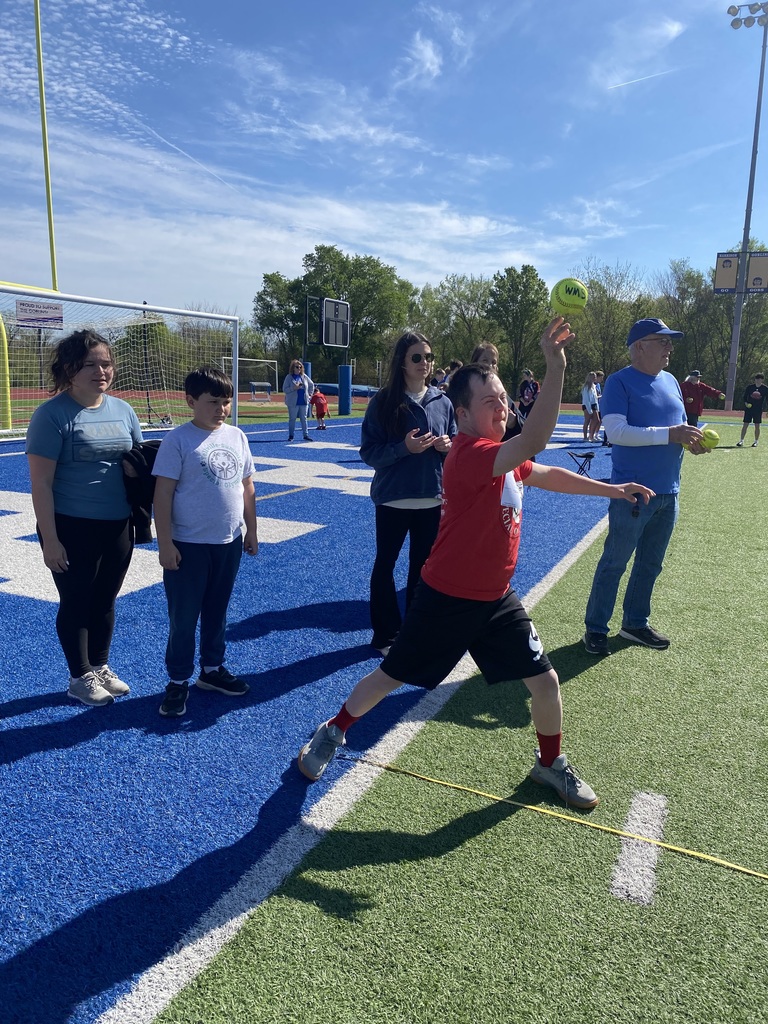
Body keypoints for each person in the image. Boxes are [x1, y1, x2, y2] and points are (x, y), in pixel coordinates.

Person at [298, 319, 656, 808]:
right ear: (462, 414)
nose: (503, 406)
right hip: (445, 596)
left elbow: (544, 470)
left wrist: (612, 489)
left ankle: (549, 764)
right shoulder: (469, 454)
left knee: (546, 682)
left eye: (505, 398)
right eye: (491, 402)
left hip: (495, 597)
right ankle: (334, 730)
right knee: (391, 675)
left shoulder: (503, 456)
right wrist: (555, 371)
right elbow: (533, 445)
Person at [25, 329, 142, 706]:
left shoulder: (123, 410)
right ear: (69, 369)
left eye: (105, 363)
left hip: (117, 522)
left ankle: (101, 666)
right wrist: (50, 537)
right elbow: (41, 483)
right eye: (90, 363)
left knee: (106, 599)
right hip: (71, 524)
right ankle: (79, 676)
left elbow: (138, 462)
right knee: (76, 600)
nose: (100, 370)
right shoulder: (52, 415)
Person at [583, 318, 708, 657]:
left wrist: (689, 442)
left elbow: (673, 428)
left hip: (669, 490)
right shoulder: (619, 382)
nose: (669, 347)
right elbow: (618, 432)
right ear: (639, 346)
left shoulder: (670, 381)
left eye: (670, 342)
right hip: (632, 493)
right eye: (662, 341)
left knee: (651, 563)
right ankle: (595, 628)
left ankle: (634, 623)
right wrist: (671, 435)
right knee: (615, 562)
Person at [152, 366, 258, 717]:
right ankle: (178, 680)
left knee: (217, 611)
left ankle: (212, 671)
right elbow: (162, 495)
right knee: (184, 617)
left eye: (226, 402)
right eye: (213, 402)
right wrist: (164, 543)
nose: (221, 409)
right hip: (188, 545)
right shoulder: (178, 440)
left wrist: (251, 530)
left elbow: (247, 487)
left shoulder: (237, 436)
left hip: (228, 542)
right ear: (190, 401)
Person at [360, 331, 456, 655]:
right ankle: (385, 635)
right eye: (417, 357)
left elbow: (457, 445)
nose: (424, 363)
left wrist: (448, 447)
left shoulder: (443, 402)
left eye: (428, 357)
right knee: (385, 564)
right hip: (393, 498)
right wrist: (404, 448)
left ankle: (414, 632)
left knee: (423, 568)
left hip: (431, 497)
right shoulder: (384, 402)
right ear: (401, 361)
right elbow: (370, 452)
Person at [282, 358, 315, 441]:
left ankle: (305, 435)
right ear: (293, 368)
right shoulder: (289, 377)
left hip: (303, 401)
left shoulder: (304, 376)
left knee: (304, 419)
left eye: (300, 367)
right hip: (293, 402)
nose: (299, 369)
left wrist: (309, 395)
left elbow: (311, 385)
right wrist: (294, 388)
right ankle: (291, 436)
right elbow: (285, 389)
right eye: (297, 367)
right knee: (292, 419)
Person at [737, 373, 768, 447]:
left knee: (757, 426)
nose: (758, 380)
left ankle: (756, 441)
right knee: (745, 425)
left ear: (762, 380)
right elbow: (744, 397)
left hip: (758, 410)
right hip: (749, 409)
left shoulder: (765, 389)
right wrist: (746, 403)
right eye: (756, 379)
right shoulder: (750, 387)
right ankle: (741, 441)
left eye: (759, 379)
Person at [581, 371, 600, 441]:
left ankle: (591, 436)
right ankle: (585, 437)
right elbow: (586, 399)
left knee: (597, 420)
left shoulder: (594, 386)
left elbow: (594, 398)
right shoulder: (586, 387)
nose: (595, 378)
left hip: (594, 405)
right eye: (593, 377)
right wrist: (589, 410)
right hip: (587, 406)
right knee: (587, 421)